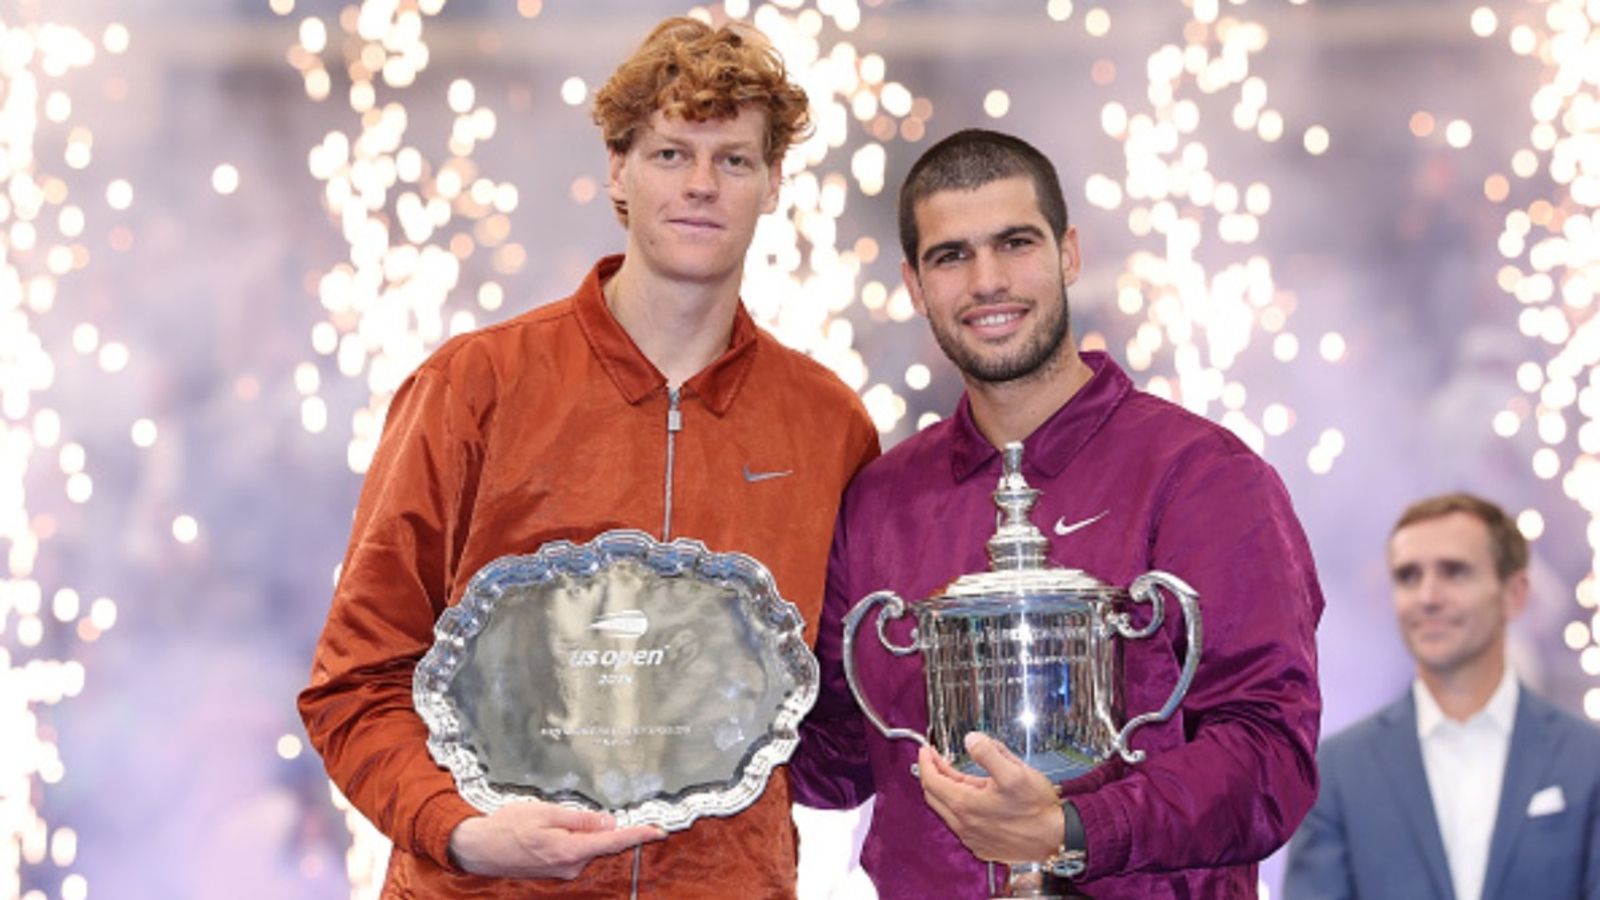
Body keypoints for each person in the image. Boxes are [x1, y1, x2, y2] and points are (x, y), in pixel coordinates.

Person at [296, 17, 879, 899]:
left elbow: (837, 712)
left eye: (734, 160)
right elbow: (356, 682)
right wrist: (462, 831)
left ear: (772, 185)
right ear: (618, 169)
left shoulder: (826, 421)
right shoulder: (474, 386)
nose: (701, 186)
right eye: (671, 153)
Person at [788, 128, 1325, 898]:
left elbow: (1270, 756)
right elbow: (838, 761)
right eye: (952, 256)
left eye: (1016, 243)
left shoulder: (1203, 475)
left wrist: (1069, 833)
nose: (987, 281)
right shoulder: (881, 499)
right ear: (914, 284)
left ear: (1069, 253)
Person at [1284, 493, 1600, 900]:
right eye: (1408, 576)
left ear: (1515, 593)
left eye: (1455, 572)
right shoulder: (1339, 770)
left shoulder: (1587, 758)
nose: (1428, 597)